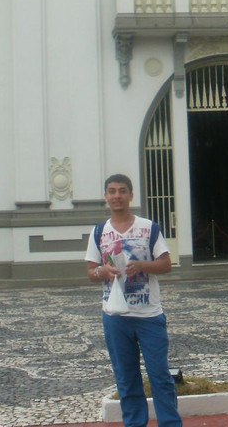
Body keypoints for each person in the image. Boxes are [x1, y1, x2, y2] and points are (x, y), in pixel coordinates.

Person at [85, 174, 181, 427]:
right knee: (126, 379)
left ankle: (170, 423)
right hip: (116, 317)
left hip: (149, 315)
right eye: (112, 191)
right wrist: (102, 272)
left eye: (122, 191)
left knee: (159, 376)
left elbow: (166, 264)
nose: (117, 196)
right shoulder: (99, 232)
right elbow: (91, 272)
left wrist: (142, 265)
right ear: (105, 196)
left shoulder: (149, 228)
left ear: (131, 195)